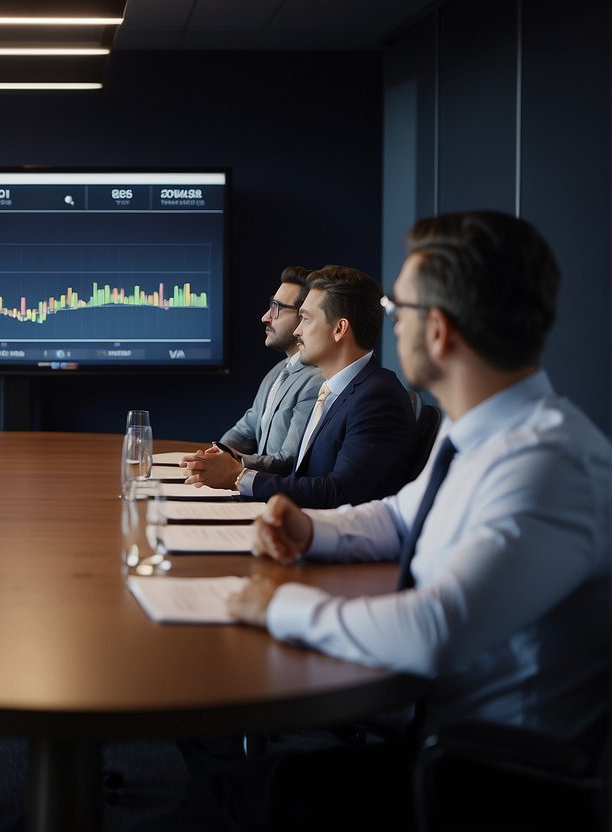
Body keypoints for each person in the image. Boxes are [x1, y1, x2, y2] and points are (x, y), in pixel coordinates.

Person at [202, 211, 609, 829]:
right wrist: (314, 530)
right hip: (439, 748)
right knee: (230, 792)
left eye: (401, 307)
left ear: (439, 331)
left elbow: (435, 628)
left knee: (233, 802)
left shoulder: (549, 462)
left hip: (483, 788)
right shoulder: (484, 435)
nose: (391, 320)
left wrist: (275, 607)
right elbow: (399, 515)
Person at [183, 265, 416, 508]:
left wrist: (238, 477)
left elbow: (339, 493)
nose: (297, 330)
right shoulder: (334, 390)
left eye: (305, 319)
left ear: (339, 329)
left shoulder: (378, 397)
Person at [190, 266, 323, 475]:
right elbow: (244, 431)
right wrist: (214, 455)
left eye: (277, 308)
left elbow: (287, 461)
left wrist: (229, 465)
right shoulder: (278, 372)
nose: (265, 317)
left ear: (303, 316)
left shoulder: (318, 381)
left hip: (274, 497)